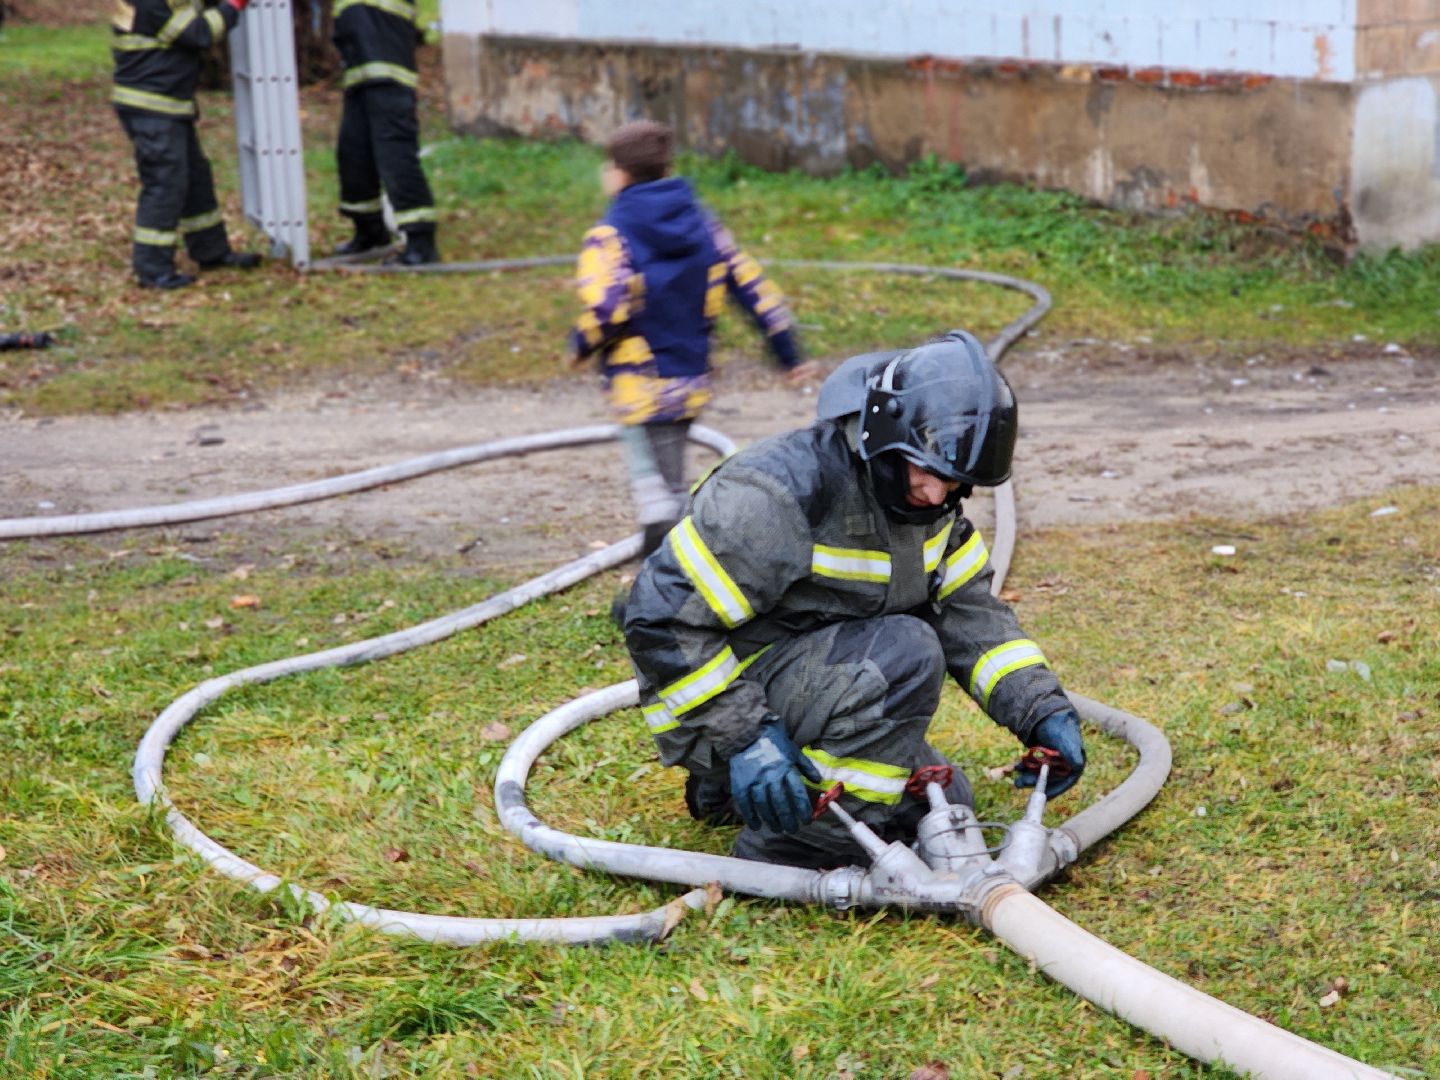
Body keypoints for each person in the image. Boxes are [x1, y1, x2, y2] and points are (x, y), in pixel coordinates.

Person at [621, 331, 1087, 868]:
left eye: (958, 484)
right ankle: (796, 842)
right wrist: (747, 735)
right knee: (906, 652)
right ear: (886, 438)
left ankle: (730, 791)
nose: (939, 496)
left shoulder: (931, 504)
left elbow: (968, 616)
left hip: (809, 686)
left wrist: (1041, 709)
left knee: (947, 796)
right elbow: (660, 621)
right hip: (714, 702)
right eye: (930, 473)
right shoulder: (780, 494)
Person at [566, 119, 819, 559]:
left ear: (620, 172)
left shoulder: (610, 235)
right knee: (667, 485)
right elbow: (751, 287)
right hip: (690, 377)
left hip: (640, 382)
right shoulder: (702, 224)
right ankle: (671, 573)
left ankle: (674, 586)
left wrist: (580, 342)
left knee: (660, 499)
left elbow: (609, 309)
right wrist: (786, 349)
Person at [111, 0, 263, 289]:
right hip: (151, 106)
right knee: (165, 182)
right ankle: (152, 268)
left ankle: (211, 252)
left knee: (196, 179)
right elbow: (196, 33)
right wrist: (233, 6)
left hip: (166, 104)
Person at [330, 0, 439, 265]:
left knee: (394, 152)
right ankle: (370, 231)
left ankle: (421, 242)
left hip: (385, 50)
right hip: (359, 57)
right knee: (353, 151)